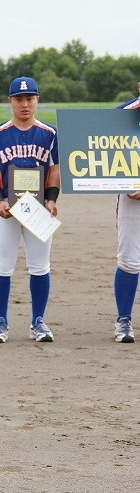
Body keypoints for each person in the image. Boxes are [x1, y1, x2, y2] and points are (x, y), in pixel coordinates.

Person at [0, 76, 60, 343]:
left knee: (40, 267)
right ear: (10, 101)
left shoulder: (50, 134)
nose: (25, 104)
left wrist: (51, 200)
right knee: (2, 266)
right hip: (7, 210)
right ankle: (0, 322)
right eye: (19, 99)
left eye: (29, 98)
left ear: (37, 100)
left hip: (38, 210)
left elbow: (55, 170)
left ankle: (38, 322)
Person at [113, 80, 140, 343]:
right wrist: (125, 181)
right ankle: (124, 320)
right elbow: (104, 153)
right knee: (129, 260)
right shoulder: (122, 115)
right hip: (132, 197)